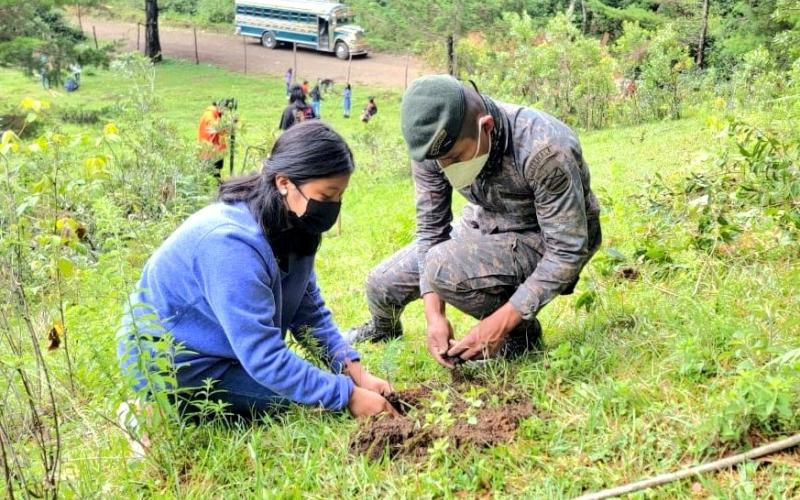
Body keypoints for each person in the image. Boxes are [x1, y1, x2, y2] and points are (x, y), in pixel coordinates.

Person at [118, 121, 397, 419]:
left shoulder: (294, 225)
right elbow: (264, 357)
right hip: (176, 365)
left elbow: (309, 313)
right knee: (308, 405)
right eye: (326, 197)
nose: (333, 206)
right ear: (284, 182)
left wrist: (357, 375)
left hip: (229, 350)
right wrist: (348, 397)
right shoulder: (230, 244)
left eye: (339, 196)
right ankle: (144, 410)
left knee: (310, 391)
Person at [345, 75, 602, 368]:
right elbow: (431, 229)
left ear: (486, 127)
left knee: (443, 267)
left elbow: (566, 251)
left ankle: (520, 338)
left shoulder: (543, 149)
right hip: (486, 220)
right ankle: (384, 331)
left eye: (455, 158)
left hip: (544, 234)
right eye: (440, 161)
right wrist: (434, 317)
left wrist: (497, 325)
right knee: (381, 284)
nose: (446, 167)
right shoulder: (434, 143)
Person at [198, 102, 228, 179]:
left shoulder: (214, 114)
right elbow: (216, 128)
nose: (225, 114)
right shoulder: (209, 115)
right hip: (210, 152)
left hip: (213, 151)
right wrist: (229, 126)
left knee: (215, 174)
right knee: (213, 175)